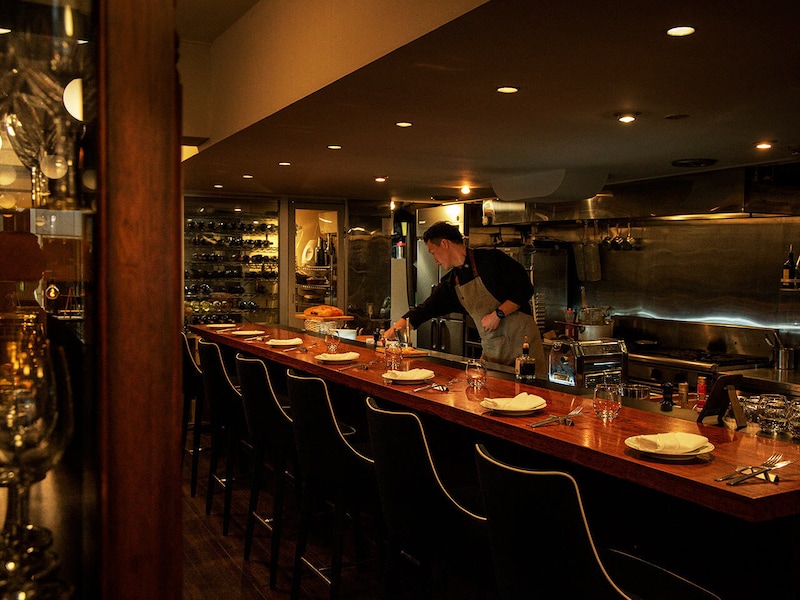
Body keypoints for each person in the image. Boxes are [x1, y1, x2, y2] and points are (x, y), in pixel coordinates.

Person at [385, 221, 547, 377]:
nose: (435, 259)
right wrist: (393, 331)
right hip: (493, 351)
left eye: (433, 252)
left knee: (531, 392)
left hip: (523, 347)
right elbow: (425, 310)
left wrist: (498, 314)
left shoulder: (492, 259)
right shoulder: (452, 282)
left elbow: (525, 288)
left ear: (445, 243)